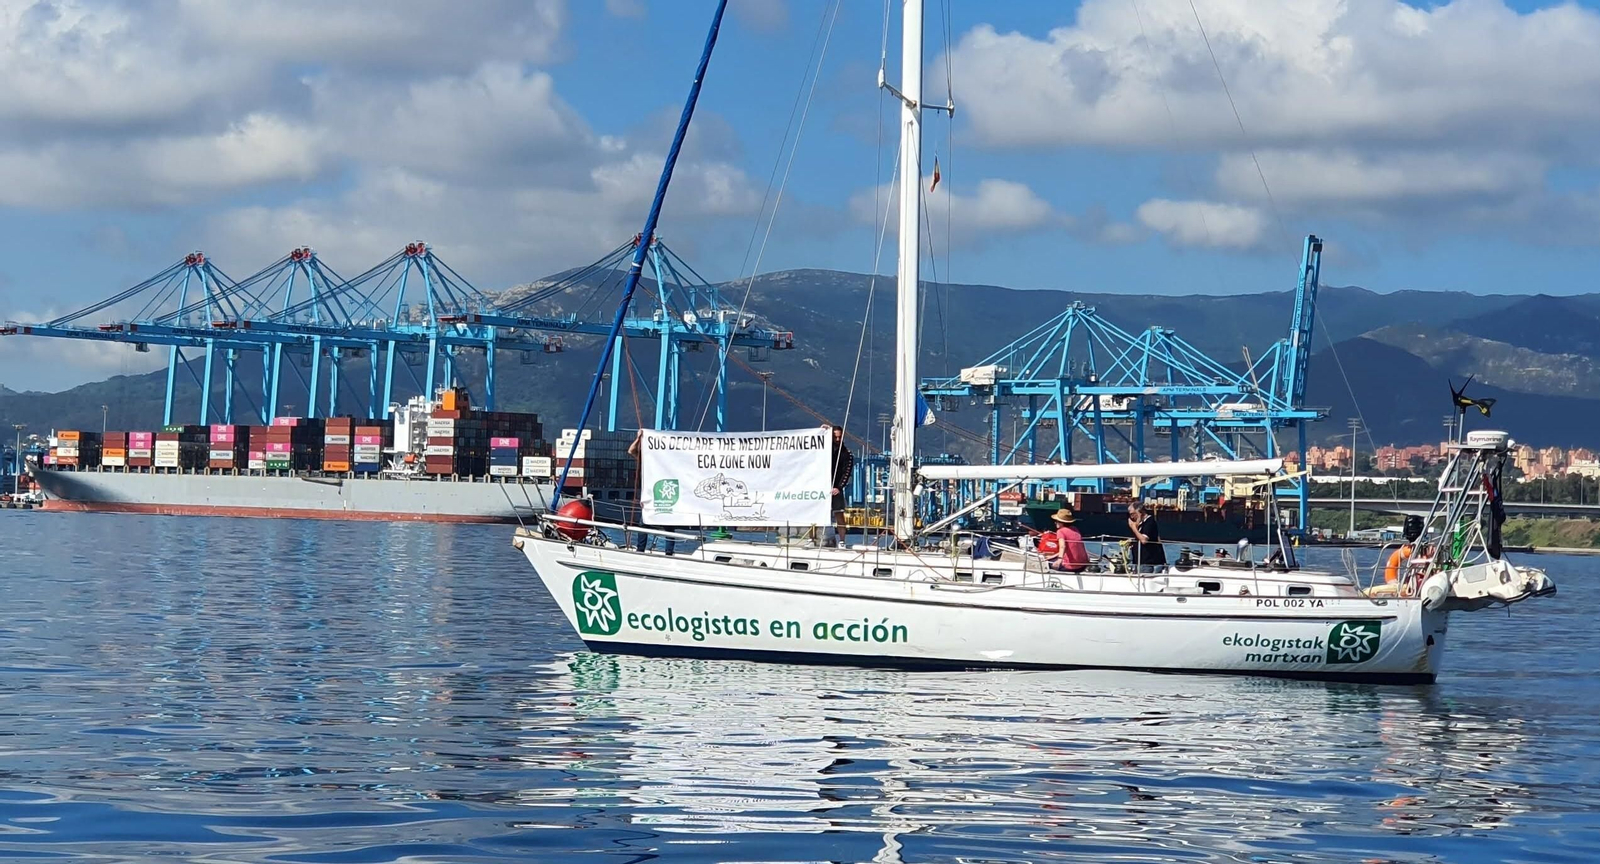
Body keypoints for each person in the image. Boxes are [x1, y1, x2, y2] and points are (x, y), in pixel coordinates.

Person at [627, 429, 674, 555]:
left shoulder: (672, 464)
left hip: (666, 496)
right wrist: (639, 438)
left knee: (668, 526)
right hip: (650, 498)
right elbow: (631, 451)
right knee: (644, 524)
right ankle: (640, 550)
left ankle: (668, 553)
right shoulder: (648, 461)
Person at [828, 424, 854, 548]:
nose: (837, 439)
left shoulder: (846, 453)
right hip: (823, 486)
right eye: (835, 437)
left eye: (839, 437)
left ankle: (842, 540)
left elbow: (847, 472)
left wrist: (839, 487)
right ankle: (812, 538)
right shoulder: (824, 450)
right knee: (815, 512)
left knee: (839, 514)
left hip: (837, 488)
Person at [1127, 501, 1166, 573]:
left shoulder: (1149, 522)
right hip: (1140, 562)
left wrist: (1133, 527)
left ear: (1139, 512)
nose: (1132, 517)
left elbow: (1144, 540)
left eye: (1132, 514)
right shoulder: (1141, 524)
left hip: (1149, 563)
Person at [1049, 509, 1090, 573]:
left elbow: (1063, 547)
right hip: (1082, 565)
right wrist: (1052, 556)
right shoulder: (1075, 529)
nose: (1055, 522)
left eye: (1056, 521)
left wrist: (1059, 560)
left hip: (1070, 567)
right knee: (1051, 559)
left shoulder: (1060, 531)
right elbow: (1068, 548)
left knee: (1048, 564)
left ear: (1061, 522)